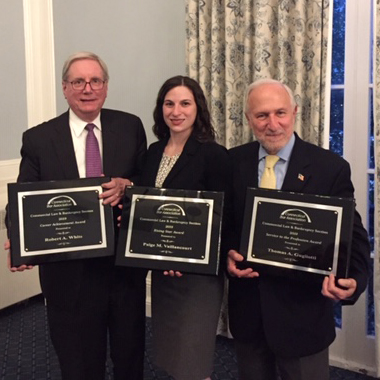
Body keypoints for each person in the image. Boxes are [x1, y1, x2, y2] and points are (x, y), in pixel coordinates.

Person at [4, 52, 147, 380]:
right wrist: (20, 235)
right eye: (78, 81)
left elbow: (148, 184)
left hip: (122, 270)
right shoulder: (39, 139)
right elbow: (22, 197)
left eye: (95, 80)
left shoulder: (129, 126)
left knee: (130, 355)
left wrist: (131, 186)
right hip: (69, 274)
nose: (88, 88)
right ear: (65, 88)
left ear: (106, 87)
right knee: (79, 361)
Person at [227, 78, 370, 380]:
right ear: (248, 119)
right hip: (249, 312)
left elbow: (352, 233)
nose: (273, 124)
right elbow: (226, 225)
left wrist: (355, 279)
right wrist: (226, 257)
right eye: (262, 115)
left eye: (280, 113)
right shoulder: (233, 161)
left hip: (302, 315)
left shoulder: (329, 168)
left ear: (294, 112)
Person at [139, 75, 231, 380]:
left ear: (198, 109)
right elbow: (148, 207)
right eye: (169, 103)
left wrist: (187, 259)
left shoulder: (213, 155)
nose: (176, 111)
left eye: (184, 103)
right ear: (161, 108)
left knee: (193, 354)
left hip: (197, 277)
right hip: (163, 272)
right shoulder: (153, 152)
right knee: (171, 351)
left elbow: (224, 218)